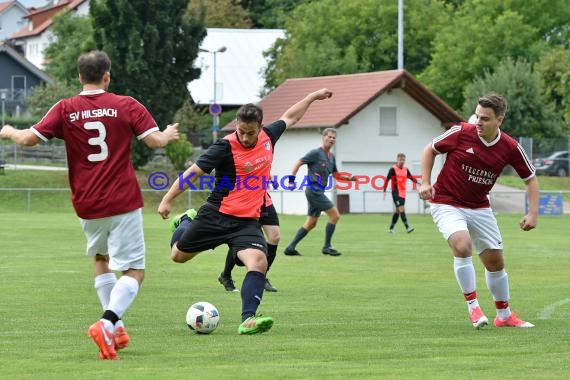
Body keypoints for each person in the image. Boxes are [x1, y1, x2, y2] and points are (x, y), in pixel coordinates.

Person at [0, 50, 180, 359]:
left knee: (101, 257)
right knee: (135, 270)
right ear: (107, 75)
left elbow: (29, 139)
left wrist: (8, 131)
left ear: (80, 77)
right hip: (122, 200)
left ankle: (117, 327)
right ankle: (107, 322)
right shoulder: (126, 105)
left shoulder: (66, 108)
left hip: (87, 203)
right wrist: (168, 133)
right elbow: (155, 142)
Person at [158, 88, 333, 334]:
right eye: (241, 131)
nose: (246, 137)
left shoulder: (268, 136)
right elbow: (193, 173)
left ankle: (248, 319)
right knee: (177, 256)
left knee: (258, 262)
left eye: (251, 133)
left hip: (247, 221)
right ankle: (185, 221)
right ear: (236, 126)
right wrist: (167, 199)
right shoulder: (224, 147)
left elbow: (291, 117)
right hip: (216, 215)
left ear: (260, 127)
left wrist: (312, 96)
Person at [419, 92, 538, 329]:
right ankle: (474, 308)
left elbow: (530, 179)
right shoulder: (461, 132)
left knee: (495, 261)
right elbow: (429, 149)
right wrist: (425, 182)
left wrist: (532, 213)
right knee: (462, 245)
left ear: (499, 121)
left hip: (479, 205)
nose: (478, 122)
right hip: (446, 201)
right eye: (477, 116)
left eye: (485, 118)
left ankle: (504, 316)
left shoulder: (510, 147)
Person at [283, 128, 355, 257]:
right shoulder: (315, 153)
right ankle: (327, 247)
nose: (332, 139)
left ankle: (290, 248)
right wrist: (291, 180)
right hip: (313, 190)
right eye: (329, 137)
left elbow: (336, 174)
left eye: (334, 137)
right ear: (323, 138)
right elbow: (298, 163)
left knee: (311, 223)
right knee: (335, 215)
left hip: (318, 191)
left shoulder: (331, 157)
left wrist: (349, 178)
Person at [218, 192, 280, 293]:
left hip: (264, 200)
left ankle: (261, 278)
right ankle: (226, 275)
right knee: (240, 238)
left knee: (275, 237)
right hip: (246, 199)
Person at [383, 153, 419, 233]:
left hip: (403, 193)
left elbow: (411, 178)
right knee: (402, 209)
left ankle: (390, 229)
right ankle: (407, 227)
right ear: (397, 160)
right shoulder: (393, 169)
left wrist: (419, 183)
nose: (402, 161)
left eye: (403, 160)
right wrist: (384, 190)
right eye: (401, 160)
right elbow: (387, 179)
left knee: (398, 211)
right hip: (395, 192)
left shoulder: (406, 169)